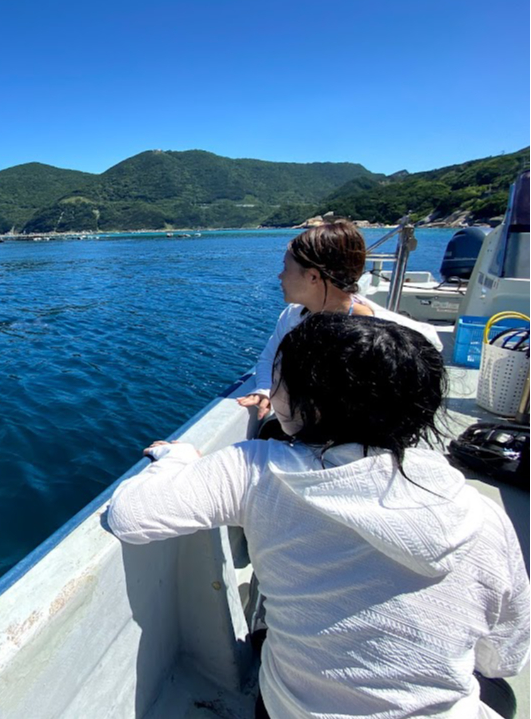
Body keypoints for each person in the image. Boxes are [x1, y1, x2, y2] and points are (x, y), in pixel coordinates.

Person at [107, 314, 528, 718]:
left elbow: (130, 516)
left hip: (288, 711)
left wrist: (176, 456)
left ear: (313, 407)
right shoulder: (484, 518)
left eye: (282, 381)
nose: (272, 391)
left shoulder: (255, 469)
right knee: (498, 693)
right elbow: (504, 656)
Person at [237, 220, 442, 421]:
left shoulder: (389, 332)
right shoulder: (293, 315)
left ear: (313, 277)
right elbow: (269, 359)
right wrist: (264, 388)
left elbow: (430, 346)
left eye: (285, 268)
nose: (280, 276)